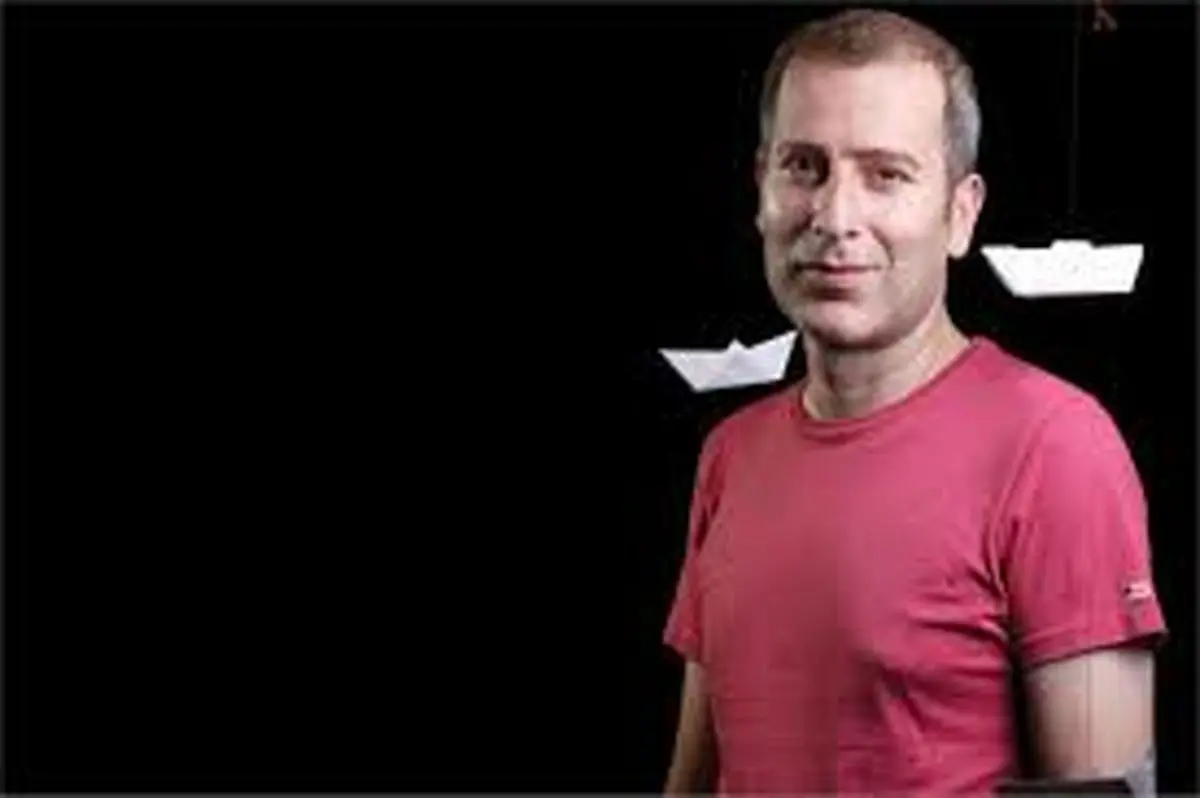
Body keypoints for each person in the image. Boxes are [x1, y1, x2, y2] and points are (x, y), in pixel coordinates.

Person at [661, 7, 1168, 796]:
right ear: (761, 188)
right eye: (804, 167)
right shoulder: (730, 453)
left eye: (886, 175)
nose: (835, 218)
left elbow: (1104, 791)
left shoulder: (1056, 447)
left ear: (960, 213)